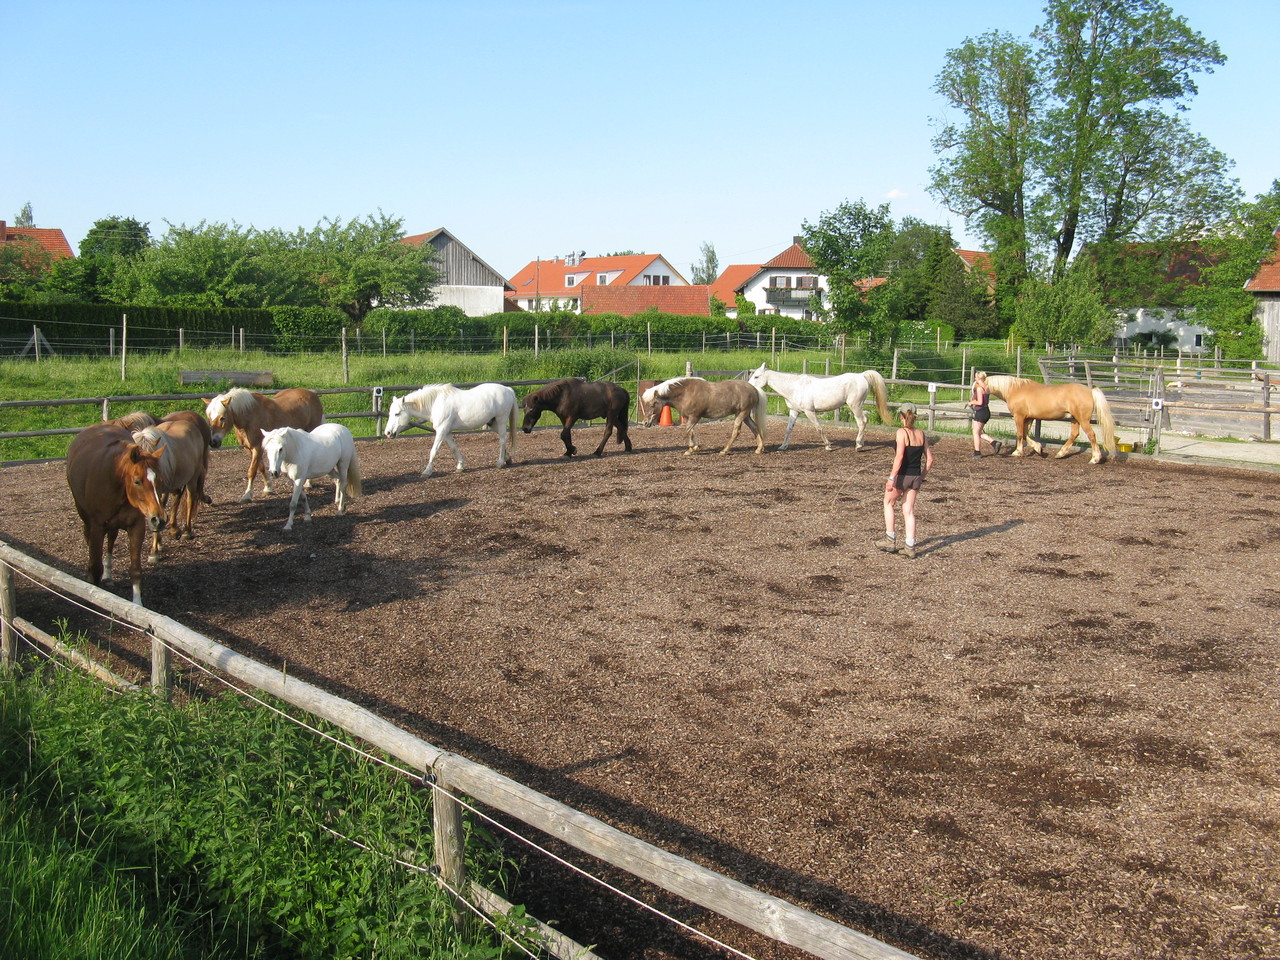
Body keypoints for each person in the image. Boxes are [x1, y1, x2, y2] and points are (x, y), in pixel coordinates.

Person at [875, 402, 934, 559]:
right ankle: (910, 546)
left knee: (888, 503)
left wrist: (891, 478)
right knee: (908, 511)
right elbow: (930, 460)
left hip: (902, 476)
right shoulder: (921, 434)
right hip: (915, 477)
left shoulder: (901, 432)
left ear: (901, 416)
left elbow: (899, 457)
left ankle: (890, 539)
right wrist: (922, 476)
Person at [967, 370, 1002, 457]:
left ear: (978, 378)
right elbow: (987, 401)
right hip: (986, 411)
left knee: (975, 433)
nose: (975, 378)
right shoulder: (987, 388)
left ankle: (977, 452)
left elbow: (980, 402)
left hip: (981, 412)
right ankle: (994, 443)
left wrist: (971, 403)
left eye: (975, 377)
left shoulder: (979, 389)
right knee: (978, 432)